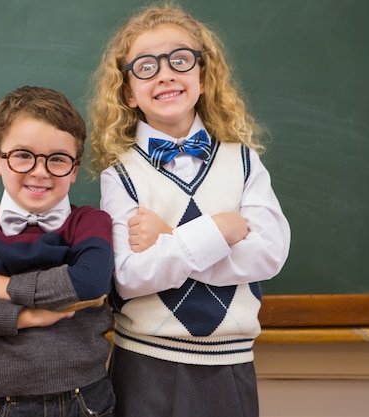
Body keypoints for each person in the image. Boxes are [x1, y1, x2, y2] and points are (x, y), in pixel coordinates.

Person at [87, 4, 291, 417]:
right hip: (145, 364)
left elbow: (268, 255)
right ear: (128, 91)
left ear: (203, 74)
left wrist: (168, 239)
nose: (165, 74)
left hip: (229, 364)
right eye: (146, 66)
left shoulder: (245, 161)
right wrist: (219, 228)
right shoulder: (120, 175)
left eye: (179, 60)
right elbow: (128, 277)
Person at [0, 86, 116, 417]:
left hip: (85, 400)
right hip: (2, 405)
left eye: (58, 159)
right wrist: (28, 317)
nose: (40, 171)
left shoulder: (91, 223)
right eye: (23, 155)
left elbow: (89, 284)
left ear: (74, 169)